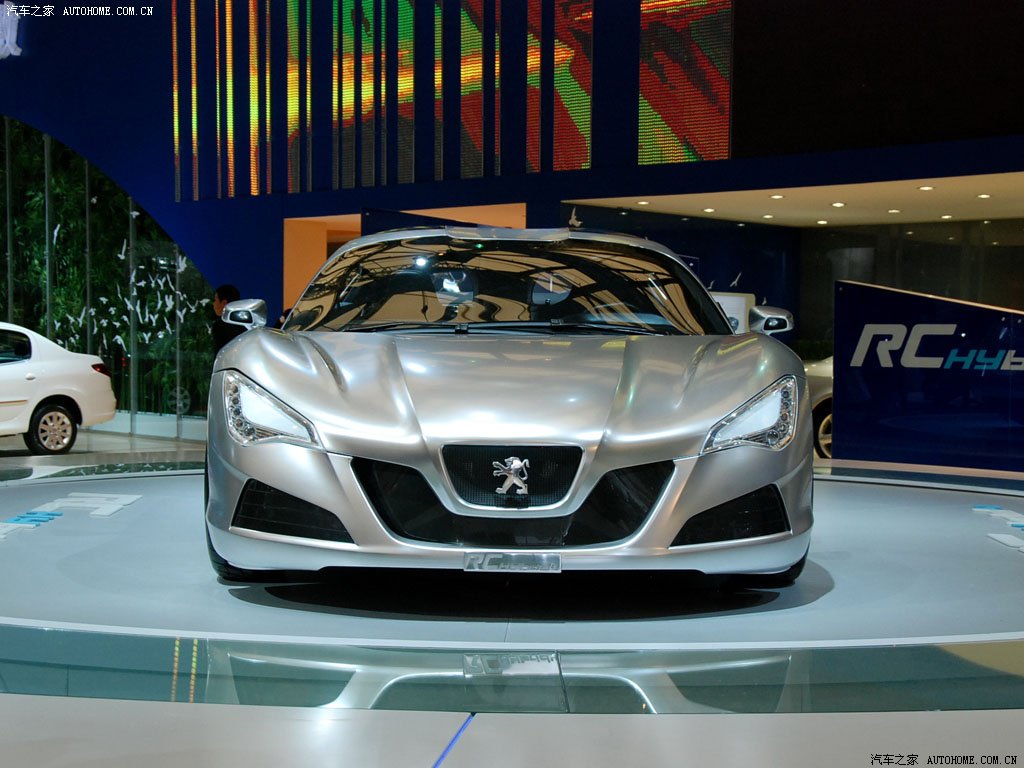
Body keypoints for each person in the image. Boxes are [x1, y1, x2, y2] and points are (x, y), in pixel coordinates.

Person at [211, 283, 246, 354]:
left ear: (224, 303)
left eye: (215, 300)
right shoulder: (245, 324)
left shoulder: (220, 325)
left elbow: (220, 354)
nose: (213, 304)